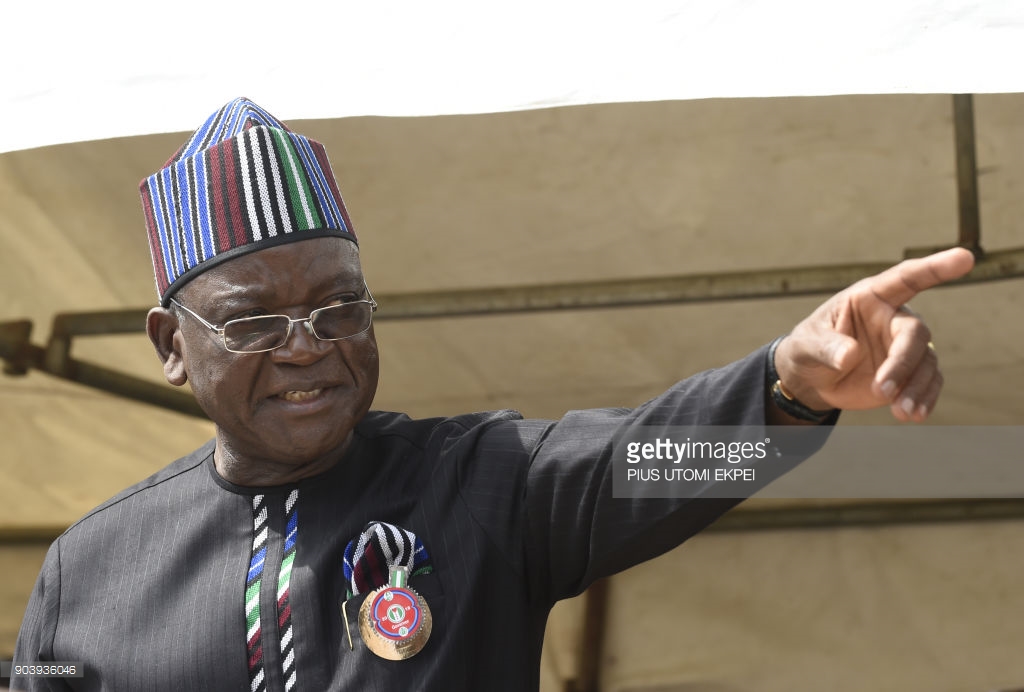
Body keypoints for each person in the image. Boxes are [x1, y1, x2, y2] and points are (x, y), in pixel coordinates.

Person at [11, 98, 974, 691]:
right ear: (172, 347)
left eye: (340, 307)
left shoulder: (480, 483)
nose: (307, 348)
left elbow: (655, 460)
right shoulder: (90, 571)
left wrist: (787, 392)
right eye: (255, 324)